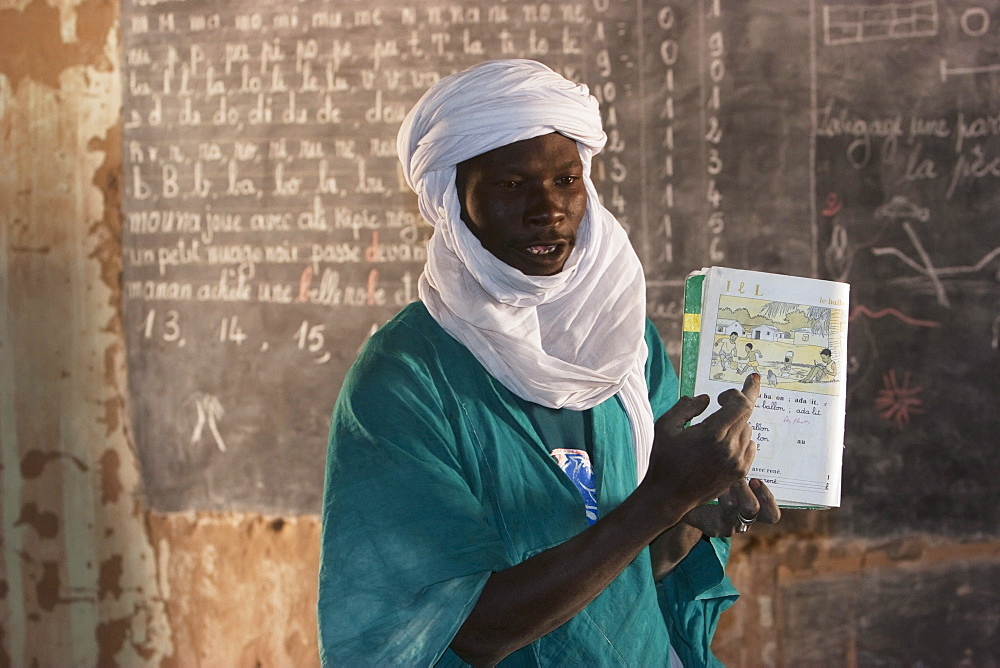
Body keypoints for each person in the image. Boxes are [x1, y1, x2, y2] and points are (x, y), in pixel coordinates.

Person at [318, 59, 780, 667]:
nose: (547, 209)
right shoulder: (404, 380)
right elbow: (468, 631)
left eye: (566, 180)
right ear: (453, 199)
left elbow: (638, 573)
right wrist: (663, 500)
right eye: (510, 185)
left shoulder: (621, 342)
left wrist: (693, 515)